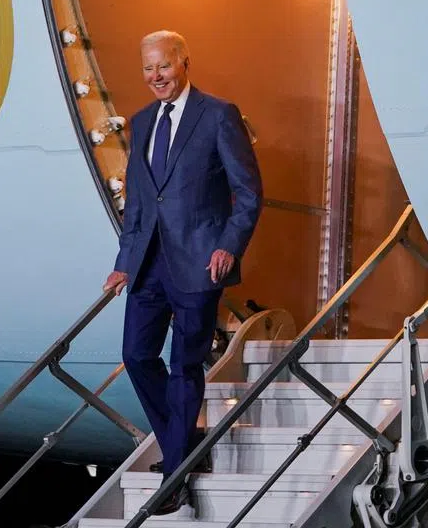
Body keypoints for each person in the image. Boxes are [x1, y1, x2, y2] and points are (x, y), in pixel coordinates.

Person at [103, 30, 263, 515]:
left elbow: (249, 191)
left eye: (164, 67)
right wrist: (122, 263)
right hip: (148, 264)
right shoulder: (142, 121)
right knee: (135, 355)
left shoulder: (218, 115)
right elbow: (137, 204)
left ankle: (175, 474)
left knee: (185, 365)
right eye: (148, 69)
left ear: (184, 62)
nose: (156, 77)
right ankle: (185, 442)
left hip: (199, 262)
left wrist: (228, 247)